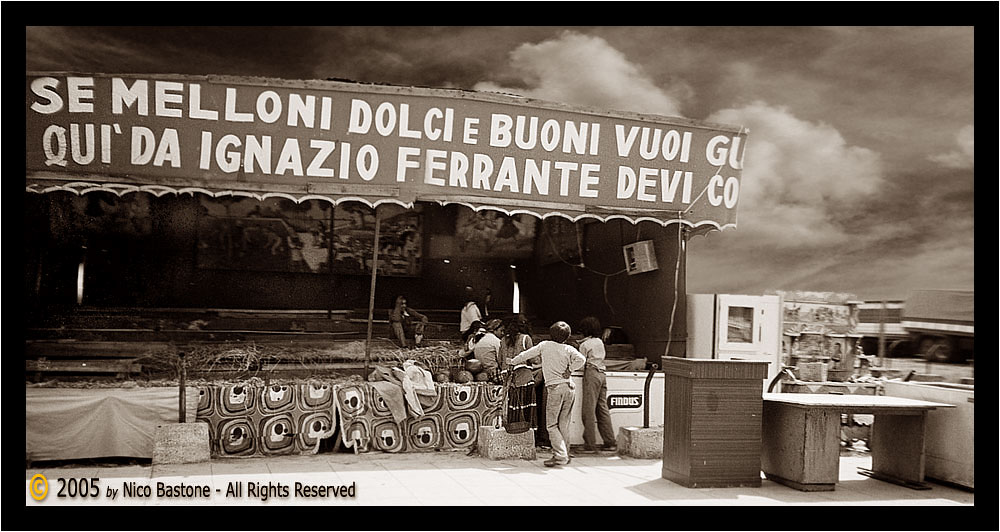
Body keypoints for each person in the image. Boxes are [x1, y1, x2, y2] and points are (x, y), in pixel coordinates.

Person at [508, 321, 586, 467]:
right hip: (569, 388)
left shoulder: (545, 345)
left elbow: (526, 354)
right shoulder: (568, 348)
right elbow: (582, 359)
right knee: (564, 423)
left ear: (551, 333)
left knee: (551, 425)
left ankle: (560, 456)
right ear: (567, 336)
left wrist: (513, 361)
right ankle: (565, 454)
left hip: (555, 389)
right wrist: (570, 369)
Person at [577, 316, 616, 453]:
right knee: (602, 408)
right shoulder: (599, 341)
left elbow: (580, 365)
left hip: (591, 374)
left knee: (588, 409)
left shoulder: (584, 345)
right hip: (602, 374)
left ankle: (589, 444)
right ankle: (610, 441)